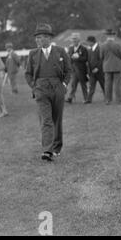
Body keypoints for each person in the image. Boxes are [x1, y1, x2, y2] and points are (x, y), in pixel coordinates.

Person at [25, 23, 72, 161]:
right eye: (37, 38)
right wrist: (34, 87)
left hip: (57, 87)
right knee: (46, 119)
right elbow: (28, 73)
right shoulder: (33, 54)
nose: (37, 40)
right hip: (41, 89)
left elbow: (68, 70)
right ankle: (47, 150)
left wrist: (64, 84)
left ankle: (57, 147)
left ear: (48, 38)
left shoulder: (60, 51)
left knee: (57, 119)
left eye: (40, 37)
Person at [101, 29, 121, 105]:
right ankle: (119, 100)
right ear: (113, 35)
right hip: (116, 66)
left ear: (106, 36)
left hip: (107, 67)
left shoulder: (103, 45)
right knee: (117, 85)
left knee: (107, 84)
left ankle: (108, 100)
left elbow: (101, 56)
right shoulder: (117, 45)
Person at [66, 33, 89, 104]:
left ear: (79, 39)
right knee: (73, 84)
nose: (74, 40)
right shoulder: (70, 48)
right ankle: (70, 98)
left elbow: (85, 58)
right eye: (73, 39)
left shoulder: (83, 48)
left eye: (75, 39)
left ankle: (86, 98)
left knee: (83, 84)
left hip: (81, 70)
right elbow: (68, 58)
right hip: (73, 70)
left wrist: (78, 57)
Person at [86, 36, 105, 103]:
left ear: (92, 42)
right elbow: (89, 61)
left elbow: (101, 60)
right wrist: (89, 71)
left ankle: (107, 98)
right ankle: (89, 99)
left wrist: (97, 68)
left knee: (103, 85)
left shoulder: (99, 48)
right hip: (92, 72)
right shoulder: (90, 49)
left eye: (88, 42)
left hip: (99, 71)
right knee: (91, 86)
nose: (87, 43)